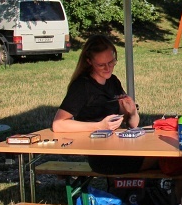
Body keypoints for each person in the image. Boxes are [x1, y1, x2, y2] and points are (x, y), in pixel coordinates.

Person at [53, 34, 155, 175]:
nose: (108, 68)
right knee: (169, 161)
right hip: (102, 157)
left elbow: (133, 124)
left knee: (171, 157)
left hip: (122, 147)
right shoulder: (82, 86)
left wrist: (132, 112)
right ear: (89, 61)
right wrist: (100, 126)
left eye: (111, 62)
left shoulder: (113, 81)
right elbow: (58, 124)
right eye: (101, 65)